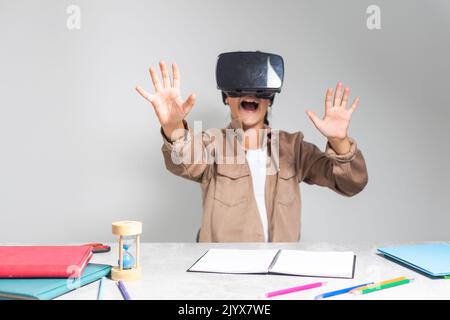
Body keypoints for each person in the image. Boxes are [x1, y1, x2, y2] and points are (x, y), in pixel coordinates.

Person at [136, 51, 368, 242]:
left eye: (260, 90)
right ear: (227, 97)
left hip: (278, 272)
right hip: (222, 274)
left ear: (270, 99)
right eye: (239, 89)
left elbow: (351, 184)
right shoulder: (212, 143)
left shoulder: (293, 148)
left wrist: (339, 141)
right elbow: (184, 160)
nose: (250, 95)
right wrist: (173, 126)